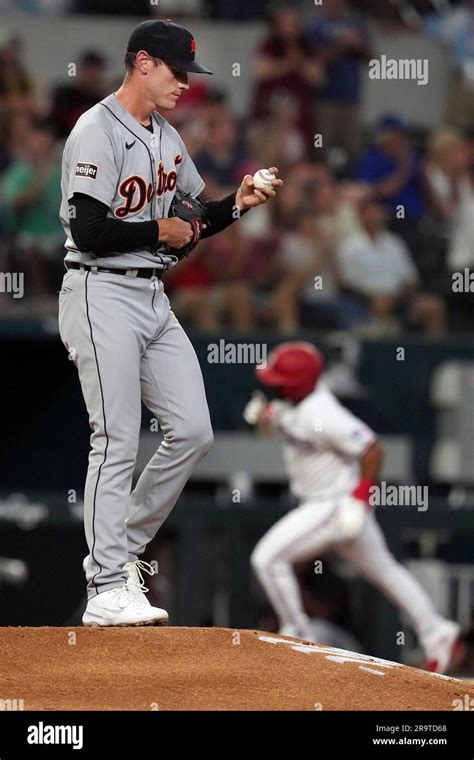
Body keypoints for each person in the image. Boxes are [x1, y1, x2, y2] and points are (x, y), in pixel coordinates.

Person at [58, 19, 282, 627]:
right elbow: (88, 229)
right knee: (116, 438)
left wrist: (234, 204)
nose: (186, 82)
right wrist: (162, 230)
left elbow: (194, 218)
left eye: (189, 71)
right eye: (176, 70)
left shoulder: (167, 137)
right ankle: (106, 585)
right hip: (98, 291)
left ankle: (120, 555)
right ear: (141, 63)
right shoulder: (95, 128)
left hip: (151, 295)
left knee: (192, 431)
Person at [244, 342, 463, 674]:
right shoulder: (295, 403)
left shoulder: (322, 412)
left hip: (335, 504)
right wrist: (265, 418)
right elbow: (285, 420)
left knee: (268, 559)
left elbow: (372, 449)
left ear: (297, 383)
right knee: (387, 571)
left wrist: (361, 499)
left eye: (279, 379)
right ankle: (439, 633)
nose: (273, 383)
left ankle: (298, 636)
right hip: (330, 504)